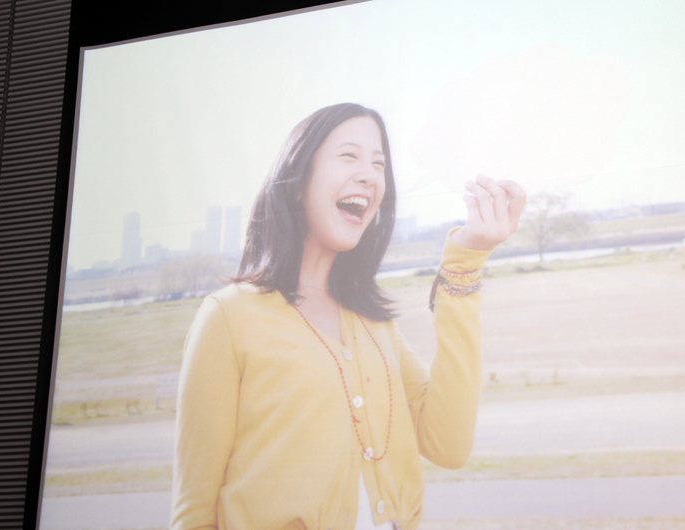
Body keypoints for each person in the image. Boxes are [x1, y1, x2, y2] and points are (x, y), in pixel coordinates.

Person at [171, 103, 526, 530]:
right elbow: (193, 513)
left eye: (379, 164)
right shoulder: (228, 317)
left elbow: (448, 445)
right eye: (349, 156)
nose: (369, 175)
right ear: (297, 181)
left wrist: (464, 263)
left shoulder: (375, 323)